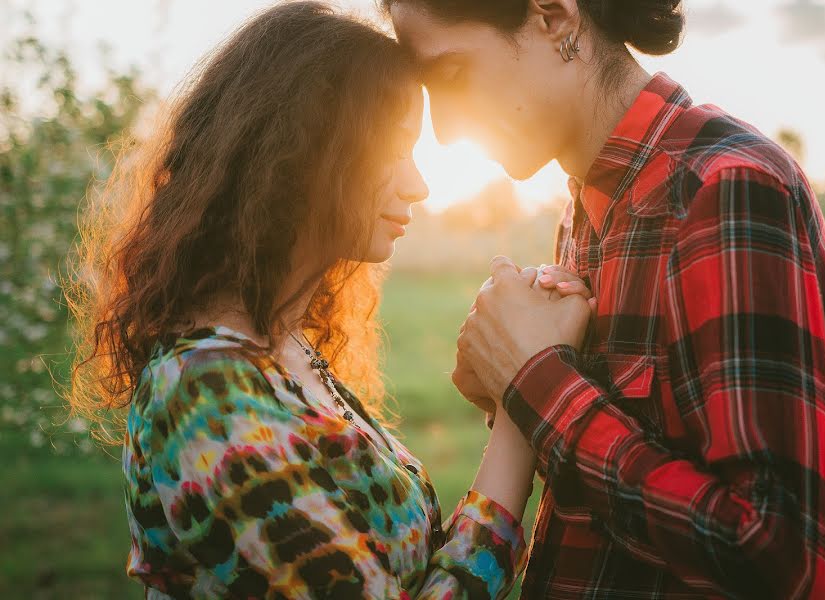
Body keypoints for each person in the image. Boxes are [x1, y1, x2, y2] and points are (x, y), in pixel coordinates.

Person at [64, 3, 594, 597]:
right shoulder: (205, 389)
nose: (418, 184)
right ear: (304, 149)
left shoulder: (279, 350)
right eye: (394, 146)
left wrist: (509, 381)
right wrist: (522, 401)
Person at [385, 0, 825, 597]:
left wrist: (536, 385)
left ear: (554, 15)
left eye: (451, 76)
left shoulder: (724, 188)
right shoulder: (588, 205)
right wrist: (516, 391)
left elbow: (782, 558)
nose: (446, 131)